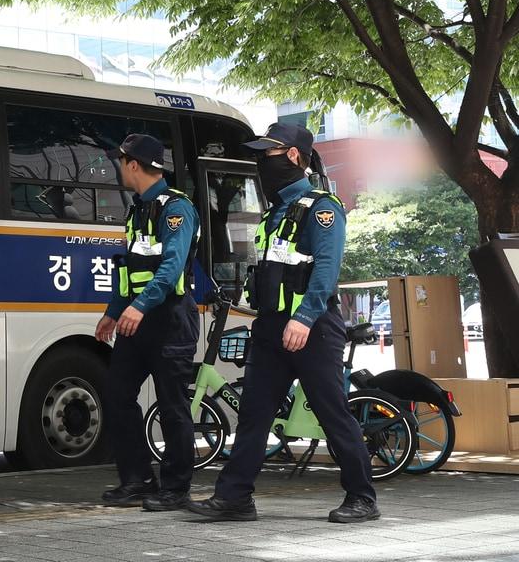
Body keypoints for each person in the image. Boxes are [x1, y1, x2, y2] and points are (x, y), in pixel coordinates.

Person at [187, 122, 379, 524]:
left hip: (311, 328)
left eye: (267, 155)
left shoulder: (323, 208)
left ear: (293, 156)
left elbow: (326, 270)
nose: (260, 164)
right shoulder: (275, 214)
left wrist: (304, 318)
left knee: (331, 413)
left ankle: (362, 497)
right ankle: (235, 497)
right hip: (272, 329)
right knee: (255, 414)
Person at [95, 134, 202, 512]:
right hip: (137, 318)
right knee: (117, 392)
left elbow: (172, 266)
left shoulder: (176, 209)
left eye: (120, 161)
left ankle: (175, 488)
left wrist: (138, 307)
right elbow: (130, 271)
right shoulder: (137, 210)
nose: (118, 168)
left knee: (172, 405)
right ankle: (137, 480)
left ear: (134, 165)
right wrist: (113, 310)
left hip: (170, 318)